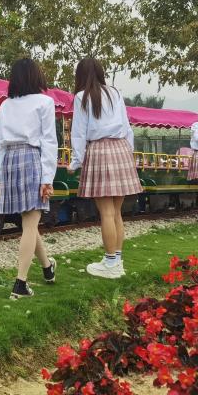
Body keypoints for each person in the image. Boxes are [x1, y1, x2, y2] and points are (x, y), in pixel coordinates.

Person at [68, 57, 142, 279]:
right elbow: (127, 128)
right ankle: (116, 261)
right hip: (121, 149)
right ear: (100, 72)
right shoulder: (115, 93)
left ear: (80, 75)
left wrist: (75, 161)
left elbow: (79, 133)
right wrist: (128, 154)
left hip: (99, 151)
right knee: (117, 212)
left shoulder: (82, 97)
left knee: (106, 213)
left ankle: (110, 264)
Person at [0, 58, 58, 298]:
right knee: (30, 224)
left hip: (10, 161)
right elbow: (49, 141)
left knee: (29, 222)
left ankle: (48, 268)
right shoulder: (45, 102)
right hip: (31, 159)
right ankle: (20, 284)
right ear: (35, 76)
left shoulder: (5, 105)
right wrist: (48, 177)